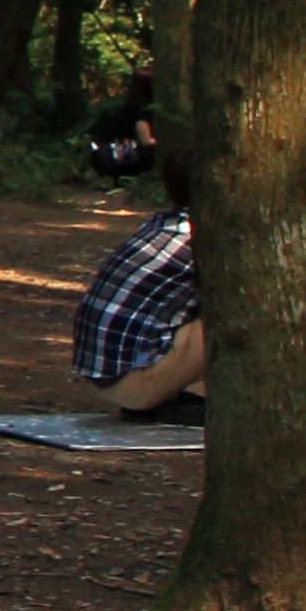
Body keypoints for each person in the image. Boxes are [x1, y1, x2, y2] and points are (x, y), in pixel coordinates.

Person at [70, 160, 205, 420]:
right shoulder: (199, 240)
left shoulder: (165, 223)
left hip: (109, 374)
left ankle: (168, 397)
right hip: (133, 380)